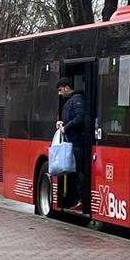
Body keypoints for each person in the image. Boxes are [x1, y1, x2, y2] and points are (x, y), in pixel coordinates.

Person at [55, 77, 85, 208]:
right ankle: (79, 199)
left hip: (77, 142)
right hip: (72, 142)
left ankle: (82, 200)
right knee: (75, 172)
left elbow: (80, 117)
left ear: (67, 88)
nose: (59, 93)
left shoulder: (77, 100)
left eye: (60, 90)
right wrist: (62, 123)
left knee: (79, 172)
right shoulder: (70, 101)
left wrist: (66, 128)